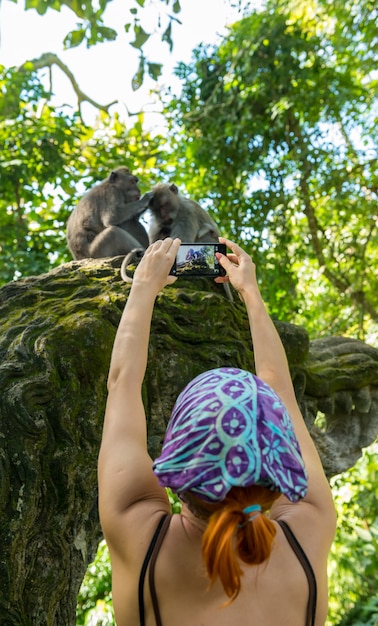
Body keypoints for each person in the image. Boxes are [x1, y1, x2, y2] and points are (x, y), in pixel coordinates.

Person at [97, 237, 336, 626]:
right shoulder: (308, 533)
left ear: (177, 458)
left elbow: (122, 384)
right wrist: (250, 293)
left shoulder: (139, 538)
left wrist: (143, 286)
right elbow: (282, 393)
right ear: (279, 463)